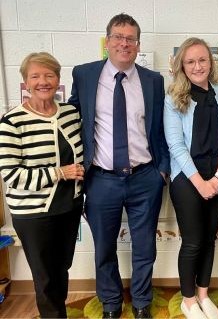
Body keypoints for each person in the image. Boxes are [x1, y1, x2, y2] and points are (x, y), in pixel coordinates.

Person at [68, 13, 170, 319]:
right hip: (101, 179)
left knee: (144, 249)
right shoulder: (85, 75)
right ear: (107, 41)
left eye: (130, 39)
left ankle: (141, 303)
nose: (124, 43)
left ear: (137, 45)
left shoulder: (153, 81)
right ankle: (111, 305)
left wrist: (161, 172)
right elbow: (72, 119)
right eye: (118, 37)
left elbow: (160, 129)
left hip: (145, 178)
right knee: (103, 249)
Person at [0, 52, 84, 318]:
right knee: (45, 276)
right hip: (34, 213)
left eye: (49, 75)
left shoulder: (70, 113)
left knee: (62, 267)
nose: (43, 81)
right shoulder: (12, 121)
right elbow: (12, 175)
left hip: (68, 206)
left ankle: (59, 313)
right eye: (35, 76)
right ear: (25, 82)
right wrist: (59, 173)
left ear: (58, 79)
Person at [164, 37, 218, 319]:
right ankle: (188, 299)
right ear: (182, 65)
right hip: (187, 178)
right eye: (191, 61)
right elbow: (175, 144)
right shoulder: (174, 98)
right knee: (193, 241)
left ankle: (204, 294)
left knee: (209, 238)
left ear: (210, 62)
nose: (198, 66)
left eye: (202, 60)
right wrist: (201, 183)